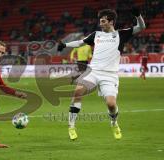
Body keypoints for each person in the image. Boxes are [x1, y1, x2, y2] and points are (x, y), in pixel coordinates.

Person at [57, 8, 146, 140]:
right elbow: (80, 42)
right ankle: (71, 126)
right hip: (93, 71)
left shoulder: (122, 34)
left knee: (111, 104)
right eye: (100, 21)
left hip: (110, 75)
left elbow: (141, 27)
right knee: (78, 92)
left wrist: (138, 15)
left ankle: (114, 123)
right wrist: (65, 45)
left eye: (103, 21)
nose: (101, 23)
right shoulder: (96, 34)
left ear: (111, 22)